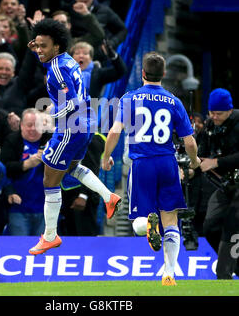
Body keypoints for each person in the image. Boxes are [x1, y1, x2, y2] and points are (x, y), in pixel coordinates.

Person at [101, 51, 200, 286]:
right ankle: (169, 274)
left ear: (143, 73)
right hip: (168, 163)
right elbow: (190, 142)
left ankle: (148, 224)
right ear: (164, 74)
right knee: (172, 220)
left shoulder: (130, 98)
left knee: (138, 223)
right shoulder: (174, 101)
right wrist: (194, 161)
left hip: (143, 163)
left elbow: (115, 131)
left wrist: (106, 157)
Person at [27, 18, 121, 255]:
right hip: (86, 124)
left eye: (43, 46)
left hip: (70, 126)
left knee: (49, 180)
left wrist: (50, 113)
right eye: (36, 45)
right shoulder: (66, 60)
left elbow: (72, 103)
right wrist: (38, 48)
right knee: (72, 168)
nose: (39, 50)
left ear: (56, 46)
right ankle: (108, 196)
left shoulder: (56, 70)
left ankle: (49, 236)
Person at [198, 88, 239, 279]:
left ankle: (224, 275)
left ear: (230, 111)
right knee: (209, 226)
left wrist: (216, 162)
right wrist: (192, 167)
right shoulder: (209, 126)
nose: (214, 116)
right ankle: (234, 265)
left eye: (219, 113)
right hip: (225, 185)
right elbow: (202, 153)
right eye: (211, 112)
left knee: (232, 224)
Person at [0, 108, 52, 236]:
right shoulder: (12, 141)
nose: (33, 129)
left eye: (37, 125)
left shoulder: (50, 141)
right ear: (21, 125)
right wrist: (25, 164)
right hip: (18, 209)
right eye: (29, 125)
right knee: (20, 248)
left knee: (44, 252)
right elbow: (3, 169)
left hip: (46, 209)